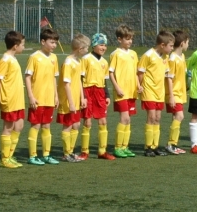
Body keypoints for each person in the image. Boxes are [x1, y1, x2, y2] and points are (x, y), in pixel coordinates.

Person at [25, 28, 60, 166]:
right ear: (43, 41)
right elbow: (28, 77)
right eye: (51, 42)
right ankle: (32, 156)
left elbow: (53, 78)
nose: (54, 45)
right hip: (37, 98)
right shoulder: (34, 57)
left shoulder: (54, 58)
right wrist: (31, 96)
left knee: (47, 126)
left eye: (55, 42)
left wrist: (56, 96)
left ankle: (46, 154)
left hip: (49, 98)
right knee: (36, 126)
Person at [137, 30, 175, 157]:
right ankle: (148, 147)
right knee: (151, 117)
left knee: (158, 118)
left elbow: (166, 75)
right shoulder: (148, 55)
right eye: (170, 46)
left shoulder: (165, 57)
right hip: (149, 90)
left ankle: (155, 146)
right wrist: (140, 87)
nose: (172, 48)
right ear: (162, 45)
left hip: (160, 92)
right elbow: (140, 73)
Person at [80, 32, 114, 160]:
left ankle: (102, 151)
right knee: (87, 122)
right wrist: (82, 95)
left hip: (100, 92)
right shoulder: (86, 59)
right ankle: (85, 152)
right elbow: (80, 77)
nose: (103, 47)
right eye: (101, 44)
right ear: (94, 45)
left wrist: (107, 95)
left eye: (105, 45)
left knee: (103, 121)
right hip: (88, 91)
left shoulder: (105, 62)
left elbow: (105, 80)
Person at [109, 24, 139, 158]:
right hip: (121, 92)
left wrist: (138, 85)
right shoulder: (115, 54)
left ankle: (125, 146)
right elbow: (111, 73)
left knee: (129, 120)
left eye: (131, 38)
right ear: (119, 39)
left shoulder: (133, 54)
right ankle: (118, 147)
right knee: (124, 118)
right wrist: (117, 87)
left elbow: (135, 72)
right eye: (127, 39)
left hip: (132, 91)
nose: (130, 41)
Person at [0, 31, 26, 168]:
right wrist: (0, 98)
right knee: (8, 128)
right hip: (9, 99)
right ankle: (5, 158)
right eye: (23, 44)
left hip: (18, 99)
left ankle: (10, 155)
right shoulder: (5, 60)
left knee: (19, 126)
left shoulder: (13, 59)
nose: (24, 47)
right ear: (15, 46)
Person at [58, 34, 88, 162]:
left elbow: (79, 81)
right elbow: (66, 84)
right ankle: (66, 154)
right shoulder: (68, 62)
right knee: (68, 125)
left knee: (76, 125)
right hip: (68, 100)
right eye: (86, 47)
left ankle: (71, 152)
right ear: (80, 48)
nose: (88, 50)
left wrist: (82, 97)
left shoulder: (78, 61)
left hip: (76, 99)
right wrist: (70, 102)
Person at [164, 30, 189, 155]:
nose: (188, 45)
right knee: (180, 116)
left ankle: (173, 144)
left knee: (176, 117)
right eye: (187, 42)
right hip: (174, 93)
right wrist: (171, 96)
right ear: (182, 43)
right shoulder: (172, 58)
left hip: (180, 92)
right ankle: (171, 144)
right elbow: (169, 77)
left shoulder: (182, 57)